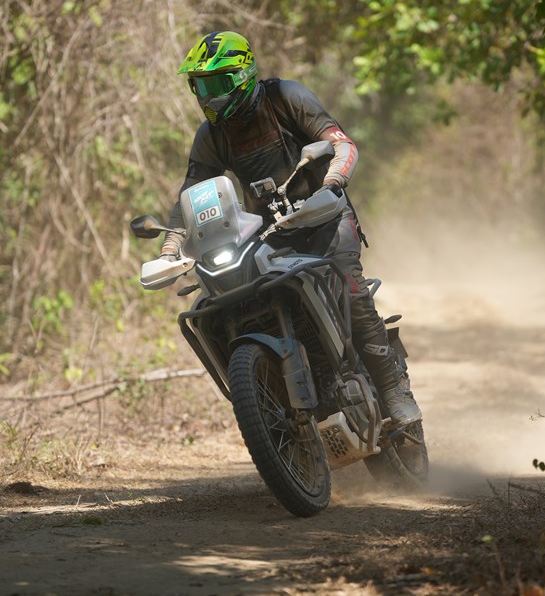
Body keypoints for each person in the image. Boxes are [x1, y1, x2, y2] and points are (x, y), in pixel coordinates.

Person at [159, 30, 421, 425]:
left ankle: (393, 388)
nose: (210, 98)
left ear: (243, 75)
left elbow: (342, 144)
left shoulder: (285, 97)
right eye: (202, 87)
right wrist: (170, 248)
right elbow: (190, 193)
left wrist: (331, 184)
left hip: (325, 217)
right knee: (232, 302)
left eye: (218, 85)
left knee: (350, 288)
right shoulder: (211, 135)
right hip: (268, 234)